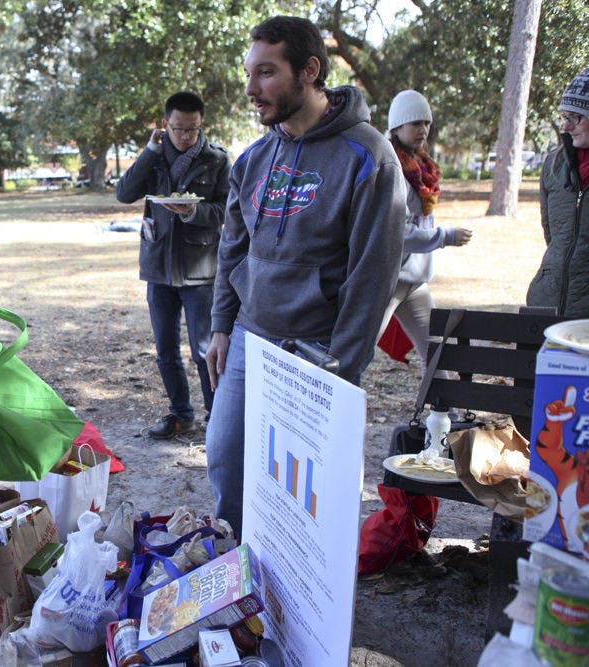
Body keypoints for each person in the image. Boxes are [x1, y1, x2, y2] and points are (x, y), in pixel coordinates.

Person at [204, 16, 406, 536]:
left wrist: (339, 369)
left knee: (303, 491)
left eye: (267, 73)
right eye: (249, 73)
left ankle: (301, 607)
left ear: (310, 70)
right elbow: (233, 246)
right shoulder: (253, 159)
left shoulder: (369, 157)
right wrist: (223, 326)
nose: (252, 89)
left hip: (317, 350)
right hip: (250, 336)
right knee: (226, 460)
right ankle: (236, 579)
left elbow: (372, 278)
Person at [115, 91, 230, 438]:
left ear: (201, 126)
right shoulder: (156, 157)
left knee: (203, 351)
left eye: (193, 130)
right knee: (166, 351)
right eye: (178, 129)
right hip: (159, 268)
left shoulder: (217, 160)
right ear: (165, 126)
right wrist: (149, 152)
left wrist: (194, 211)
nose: (186, 137)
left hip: (200, 269)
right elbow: (124, 193)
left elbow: (228, 211)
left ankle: (218, 419)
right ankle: (181, 415)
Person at [378, 90, 472, 376]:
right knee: (356, 352)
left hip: (415, 281)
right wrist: (444, 237)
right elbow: (397, 232)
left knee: (436, 349)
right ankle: (329, 413)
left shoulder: (423, 167)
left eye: (426, 123)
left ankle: (447, 414)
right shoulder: (390, 168)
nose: (422, 130)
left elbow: (421, 220)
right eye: (415, 123)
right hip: (385, 281)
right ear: (397, 126)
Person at [527, 66, 589, 318]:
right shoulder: (553, 166)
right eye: (565, 115)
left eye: (576, 117)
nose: (565, 126)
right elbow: (552, 235)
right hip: (546, 303)